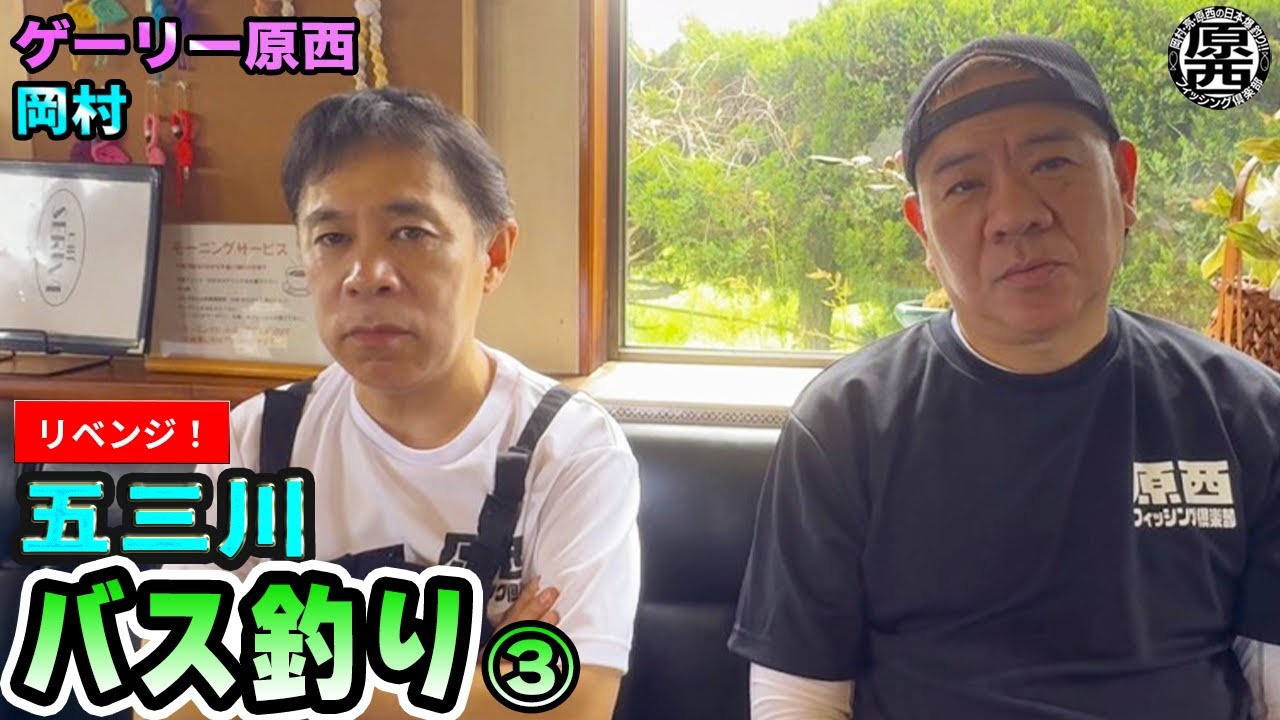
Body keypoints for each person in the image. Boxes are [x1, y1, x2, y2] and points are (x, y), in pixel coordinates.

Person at [728, 35, 1280, 719]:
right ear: (924, 232)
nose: (1017, 214)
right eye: (964, 185)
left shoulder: (1246, 413)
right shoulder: (846, 423)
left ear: (1124, 183)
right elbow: (797, 699)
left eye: (1052, 164)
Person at [147, 88, 640, 719]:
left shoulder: (570, 450)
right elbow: (168, 700)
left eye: (411, 233)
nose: (366, 274)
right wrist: (482, 682)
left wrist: (272, 673)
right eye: (332, 238)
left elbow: (575, 708)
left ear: (494, 254)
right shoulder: (257, 440)